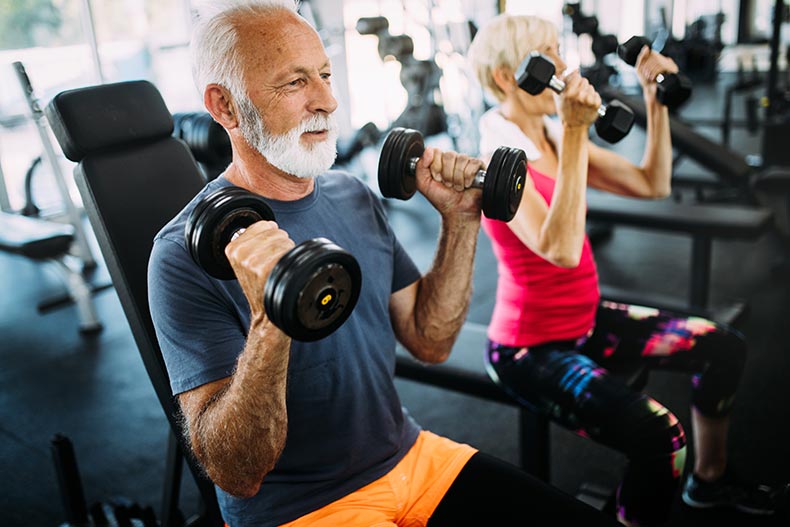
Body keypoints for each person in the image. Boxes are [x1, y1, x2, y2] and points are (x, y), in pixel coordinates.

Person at [148, 2, 623, 526]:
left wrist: (461, 220)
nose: (327, 101)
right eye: (294, 83)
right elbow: (238, 474)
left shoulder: (351, 194)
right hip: (302, 508)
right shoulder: (181, 256)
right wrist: (270, 320)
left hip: (412, 457)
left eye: (325, 75)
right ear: (225, 106)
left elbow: (429, 340)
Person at [467, 13, 779, 527]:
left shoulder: (547, 136)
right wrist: (573, 132)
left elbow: (653, 182)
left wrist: (654, 101)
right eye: (549, 55)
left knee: (723, 346)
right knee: (663, 440)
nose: (565, 68)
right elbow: (561, 249)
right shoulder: (496, 165)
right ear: (508, 76)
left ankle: (711, 480)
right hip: (529, 348)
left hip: (585, 319)